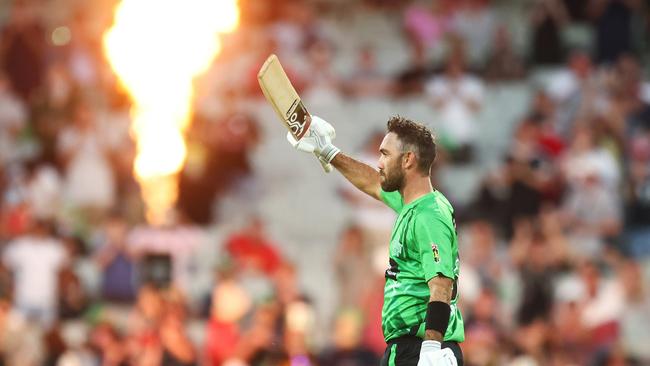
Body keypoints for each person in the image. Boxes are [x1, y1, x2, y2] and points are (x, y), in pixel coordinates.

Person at [286, 116, 464, 366]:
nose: (379, 163)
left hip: (423, 350)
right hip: (407, 348)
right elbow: (371, 182)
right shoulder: (411, 203)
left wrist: (432, 349)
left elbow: (441, 284)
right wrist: (327, 151)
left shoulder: (429, 216)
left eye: (385, 154)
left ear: (408, 160)